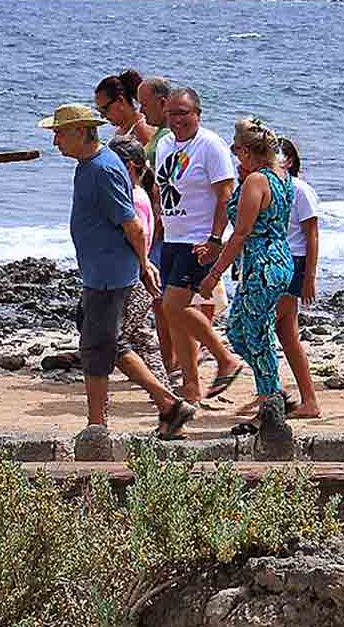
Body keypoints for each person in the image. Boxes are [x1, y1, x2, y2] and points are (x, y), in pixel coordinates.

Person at [41, 103, 195, 437]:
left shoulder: (103, 168)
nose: (56, 142)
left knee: (96, 350)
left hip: (110, 276)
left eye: (60, 134)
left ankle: (97, 426)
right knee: (109, 342)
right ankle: (169, 405)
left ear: (81, 131)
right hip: (100, 272)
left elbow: (132, 224)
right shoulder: (88, 165)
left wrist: (144, 265)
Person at [153, 84, 247, 402]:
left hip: (199, 239)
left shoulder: (210, 145)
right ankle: (191, 387)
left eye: (183, 113)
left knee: (173, 306)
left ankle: (225, 359)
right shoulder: (165, 144)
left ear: (197, 114)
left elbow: (225, 194)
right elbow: (161, 190)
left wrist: (216, 239)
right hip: (173, 238)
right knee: (174, 314)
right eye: (171, 114)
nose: (177, 119)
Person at [196, 119, 294, 422]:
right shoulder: (281, 176)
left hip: (264, 264)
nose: (233, 153)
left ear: (249, 151)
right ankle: (274, 395)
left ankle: (270, 407)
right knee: (239, 333)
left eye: (236, 148)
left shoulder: (257, 181)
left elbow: (242, 233)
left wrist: (213, 275)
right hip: (274, 259)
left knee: (256, 335)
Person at [109, 137, 171, 382]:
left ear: (131, 166)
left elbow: (138, 234)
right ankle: (165, 389)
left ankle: (162, 394)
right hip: (139, 275)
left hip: (133, 277)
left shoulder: (132, 198)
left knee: (116, 338)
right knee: (142, 337)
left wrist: (142, 263)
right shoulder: (140, 193)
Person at [274, 135, 324, 419]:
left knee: (264, 329)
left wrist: (309, 278)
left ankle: (274, 396)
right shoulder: (271, 187)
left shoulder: (299, 190)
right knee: (287, 335)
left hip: (293, 262)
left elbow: (312, 235)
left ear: (289, 161)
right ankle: (307, 399)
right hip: (277, 261)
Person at [96, 70, 156, 152]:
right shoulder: (122, 131)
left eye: (105, 109)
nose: (102, 116)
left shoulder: (142, 131)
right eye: (99, 111)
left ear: (121, 100)